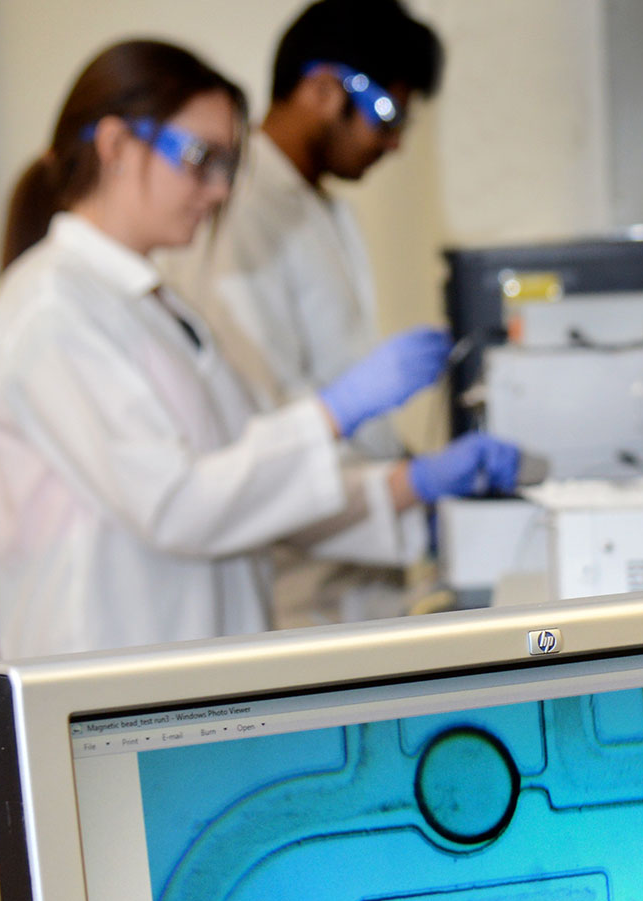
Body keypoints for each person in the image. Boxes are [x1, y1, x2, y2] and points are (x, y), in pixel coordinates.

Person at [0, 39, 518, 660]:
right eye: (201, 159)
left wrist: (409, 484)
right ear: (117, 146)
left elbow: (255, 490)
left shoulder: (163, 307)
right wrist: (333, 413)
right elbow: (175, 505)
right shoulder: (50, 310)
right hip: (102, 664)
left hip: (194, 657)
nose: (216, 192)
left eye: (228, 167)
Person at [163, 0, 444, 627]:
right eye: (387, 113)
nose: (395, 143)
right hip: (304, 584)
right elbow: (263, 422)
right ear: (323, 89)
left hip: (359, 556)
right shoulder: (242, 207)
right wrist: (406, 485)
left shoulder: (318, 207)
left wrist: (409, 477)